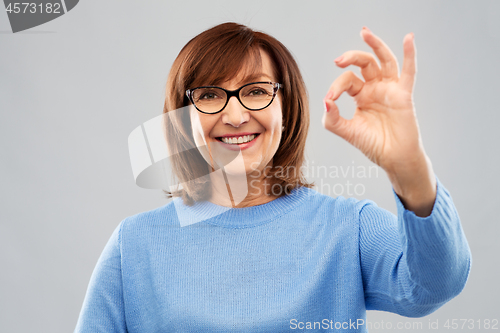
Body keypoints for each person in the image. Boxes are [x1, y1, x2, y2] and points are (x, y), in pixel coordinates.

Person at [74, 22, 471, 332]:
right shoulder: (135, 246)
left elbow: (437, 283)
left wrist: (409, 165)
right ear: (183, 118)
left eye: (256, 90)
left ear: (286, 107)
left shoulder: (347, 228)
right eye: (209, 95)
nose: (234, 115)